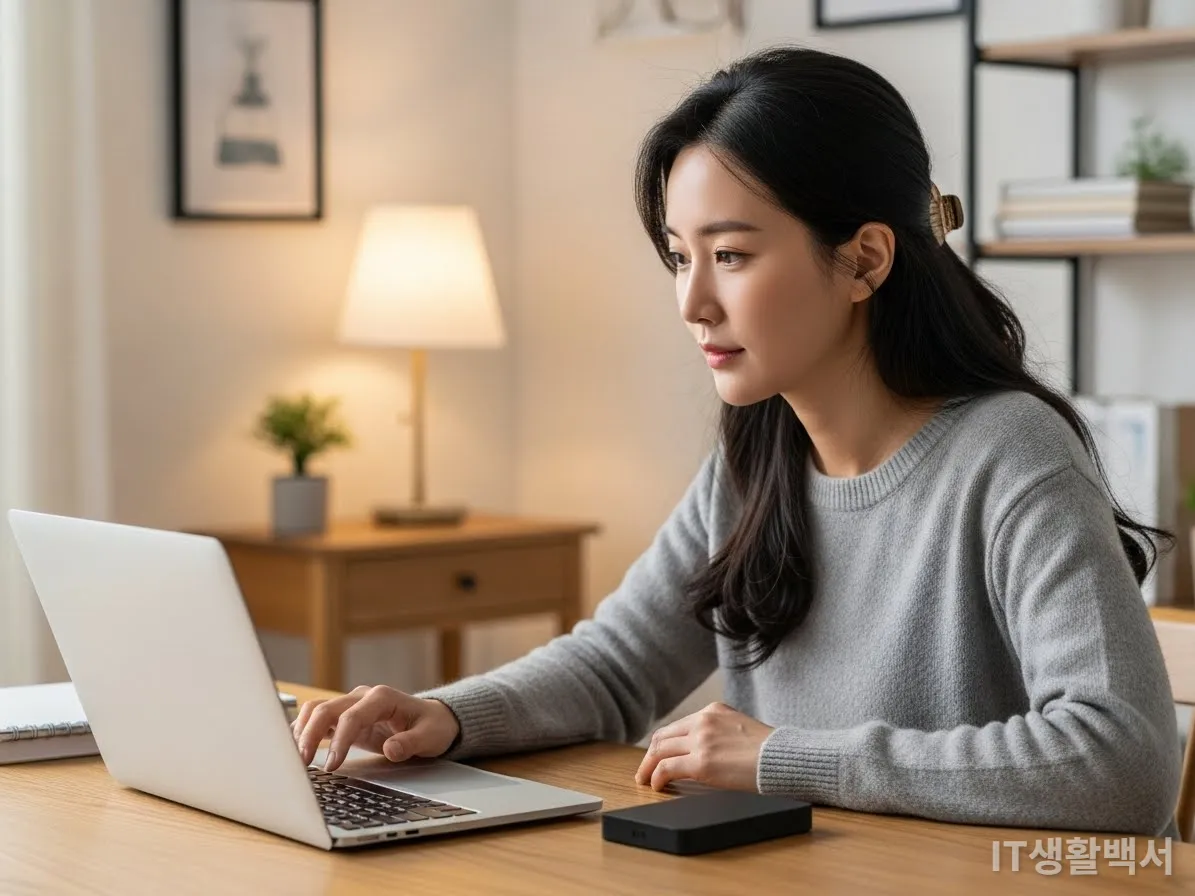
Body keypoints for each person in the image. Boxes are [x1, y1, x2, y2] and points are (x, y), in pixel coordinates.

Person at [293, 46, 1182, 837]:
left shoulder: (1009, 456)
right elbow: (615, 667)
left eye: (731, 256)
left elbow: (1121, 765)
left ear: (865, 260)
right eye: (681, 256)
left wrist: (783, 757)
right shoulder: (756, 453)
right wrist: (445, 717)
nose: (691, 304)